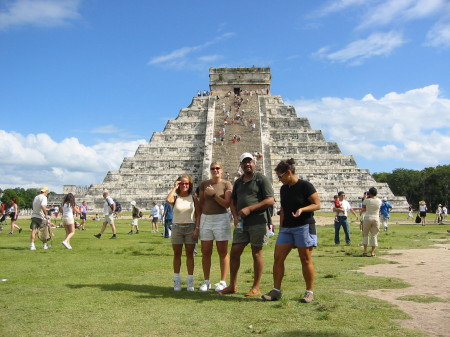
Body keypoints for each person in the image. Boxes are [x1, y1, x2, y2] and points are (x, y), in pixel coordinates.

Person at [261, 159, 320, 303]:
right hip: (287, 228)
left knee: (305, 259)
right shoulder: (283, 189)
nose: (279, 180)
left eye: (280, 176)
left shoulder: (305, 186)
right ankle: (276, 290)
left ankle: (309, 292)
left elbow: (317, 204)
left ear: (288, 173)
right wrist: (281, 229)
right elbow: (283, 210)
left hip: (304, 226)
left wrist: (302, 209)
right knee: (278, 258)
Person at [219, 153, 274, 297]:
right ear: (241, 165)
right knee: (235, 251)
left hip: (258, 221)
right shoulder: (238, 182)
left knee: (256, 252)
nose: (247, 164)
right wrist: (235, 216)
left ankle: (256, 287)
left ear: (254, 163)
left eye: (250, 162)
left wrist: (250, 208)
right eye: (244, 162)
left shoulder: (261, 179)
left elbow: (270, 200)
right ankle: (232, 285)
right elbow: (233, 201)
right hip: (242, 223)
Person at [198, 161, 233, 292]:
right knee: (206, 251)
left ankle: (223, 281)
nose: (215, 170)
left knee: (222, 251)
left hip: (221, 218)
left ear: (222, 170)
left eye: (218, 168)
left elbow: (227, 204)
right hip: (206, 218)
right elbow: (201, 203)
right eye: (213, 168)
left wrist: (213, 195)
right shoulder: (204, 184)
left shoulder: (226, 184)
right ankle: (206, 281)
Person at [166, 174, 200, 291]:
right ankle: (177, 280)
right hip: (177, 228)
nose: (184, 185)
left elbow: (198, 215)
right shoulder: (175, 198)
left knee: (190, 255)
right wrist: (175, 188)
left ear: (190, 185)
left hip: (190, 227)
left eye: (186, 183)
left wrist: (197, 228)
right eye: (181, 183)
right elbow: (168, 199)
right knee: (177, 254)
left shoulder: (193, 198)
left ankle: (190, 280)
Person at [361, 187, 382, 257]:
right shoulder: (379, 201)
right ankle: (372, 252)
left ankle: (365, 251)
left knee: (365, 234)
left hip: (367, 217)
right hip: (376, 218)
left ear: (369, 193)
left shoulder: (367, 200)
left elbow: (363, 205)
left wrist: (366, 197)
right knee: (374, 235)